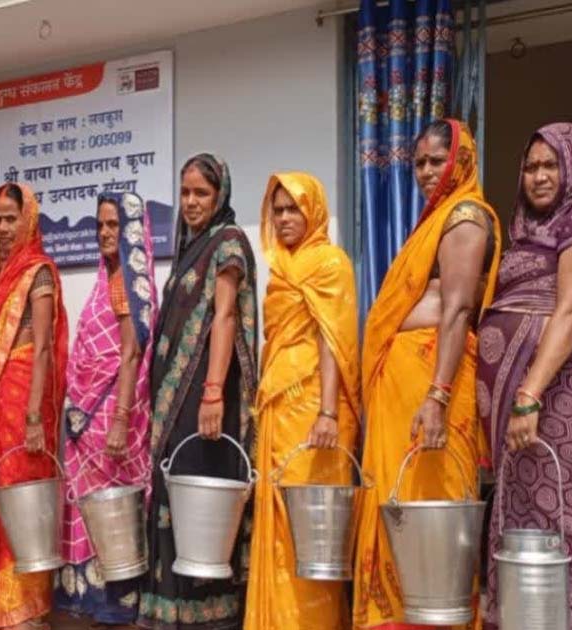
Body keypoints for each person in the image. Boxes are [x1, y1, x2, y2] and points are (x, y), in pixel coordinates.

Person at [353, 120, 500, 629]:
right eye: (418, 163)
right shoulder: (435, 221)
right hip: (405, 386)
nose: (426, 171)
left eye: (437, 160)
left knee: (431, 516)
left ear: (462, 161)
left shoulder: (465, 217)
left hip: (433, 386)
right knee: (397, 506)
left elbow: (457, 310)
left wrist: (437, 396)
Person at [477, 123, 572, 628]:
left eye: (550, 165)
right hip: (530, 414)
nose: (538, 176)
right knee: (529, 522)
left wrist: (529, 395)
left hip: (569, 395)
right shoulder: (528, 231)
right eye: (530, 166)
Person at [137, 153, 258, 630]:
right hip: (176, 401)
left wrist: (212, 393)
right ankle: (170, 610)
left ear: (219, 195)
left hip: (205, 397)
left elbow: (224, 316)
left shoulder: (228, 242)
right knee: (174, 491)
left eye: (201, 193)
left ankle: (207, 615)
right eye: (185, 192)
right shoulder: (192, 246)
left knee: (200, 497)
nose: (190, 202)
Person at [243, 172, 360, 630]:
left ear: (313, 211)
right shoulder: (280, 268)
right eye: (278, 210)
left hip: (315, 410)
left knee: (312, 531)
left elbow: (333, 340)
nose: (284, 218)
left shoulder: (330, 263)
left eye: (294, 208)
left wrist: (327, 412)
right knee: (276, 522)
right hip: (278, 405)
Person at [0, 183, 69, 630]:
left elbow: (43, 347)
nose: (4, 227)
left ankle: (27, 608)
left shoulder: (38, 272)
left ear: (28, 219)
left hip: (26, 397)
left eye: (12, 218)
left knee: (24, 497)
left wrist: (33, 417)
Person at [57, 192, 159, 628]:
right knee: (96, 513)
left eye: (113, 225)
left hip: (110, 417)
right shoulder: (109, 277)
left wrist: (119, 420)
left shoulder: (125, 284)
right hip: (89, 416)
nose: (104, 232)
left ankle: (115, 607)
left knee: (110, 514)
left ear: (131, 231)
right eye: (99, 225)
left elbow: (130, 355)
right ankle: (102, 606)